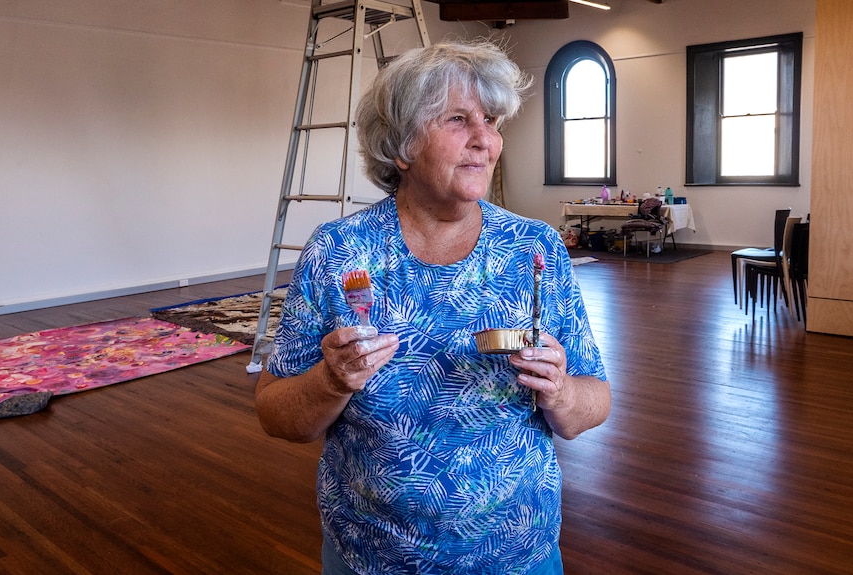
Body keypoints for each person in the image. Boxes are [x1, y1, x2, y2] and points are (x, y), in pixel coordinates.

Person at [255, 39, 611, 575]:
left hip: (517, 556)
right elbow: (276, 412)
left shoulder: (535, 250)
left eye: (491, 121)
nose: (484, 141)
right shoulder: (339, 252)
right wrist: (331, 381)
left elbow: (595, 401)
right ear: (401, 147)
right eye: (458, 119)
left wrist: (560, 390)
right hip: (372, 557)